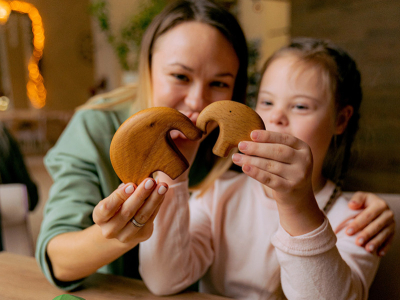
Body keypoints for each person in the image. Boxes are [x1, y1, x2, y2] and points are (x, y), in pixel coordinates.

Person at [36, 0, 393, 291]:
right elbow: (59, 256)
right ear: (145, 68)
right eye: (180, 76)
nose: (196, 100)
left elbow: (312, 195)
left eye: (219, 83)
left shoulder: (229, 147)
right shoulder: (100, 128)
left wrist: (376, 206)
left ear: (236, 95)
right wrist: (118, 233)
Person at [139, 37, 391, 299]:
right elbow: (163, 281)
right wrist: (173, 174)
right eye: (267, 103)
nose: (276, 117)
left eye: (300, 106)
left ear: (340, 120)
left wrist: (297, 205)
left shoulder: (358, 221)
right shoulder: (219, 194)